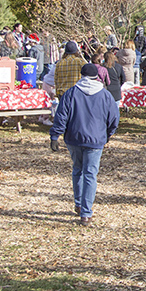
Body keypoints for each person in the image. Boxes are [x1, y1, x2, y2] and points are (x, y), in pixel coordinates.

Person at [50, 63, 120, 226]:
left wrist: (55, 135)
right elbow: (114, 118)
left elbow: (61, 116)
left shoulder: (71, 93)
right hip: (96, 139)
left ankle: (79, 204)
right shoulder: (105, 95)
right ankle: (86, 212)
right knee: (90, 173)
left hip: (74, 137)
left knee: (77, 169)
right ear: (97, 76)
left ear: (81, 75)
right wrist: (108, 134)